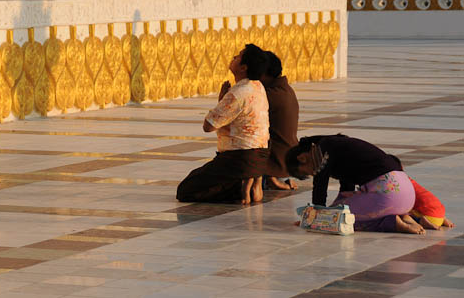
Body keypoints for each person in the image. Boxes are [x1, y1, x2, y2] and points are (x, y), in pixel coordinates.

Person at [177, 44, 270, 205]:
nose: (234, 57)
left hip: (239, 158)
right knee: (201, 177)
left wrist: (222, 102)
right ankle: (252, 181)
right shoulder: (257, 86)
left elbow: (209, 126)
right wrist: (223, 101)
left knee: (186, 189)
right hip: (260, 157)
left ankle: (239, 187)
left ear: (243, 67)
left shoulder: (237, 93)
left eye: (239, 56)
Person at [286, 134, 423, 234]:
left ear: (302, 158)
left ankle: (392, 223)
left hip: (387, 193)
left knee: (341, 221)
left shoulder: (322, 151)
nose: (313, 174)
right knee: (340, 212)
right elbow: (347, 190)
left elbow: (320, 186)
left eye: (308, 173)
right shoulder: (337, 146)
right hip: (406, 194)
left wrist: (316, 217)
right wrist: (328, 210)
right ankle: (409, 218)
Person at [261, 51, 299, 190]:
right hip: (285, 163)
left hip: (275, 165)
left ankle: (271, 178)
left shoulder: (270, 95)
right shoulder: (284, 90)